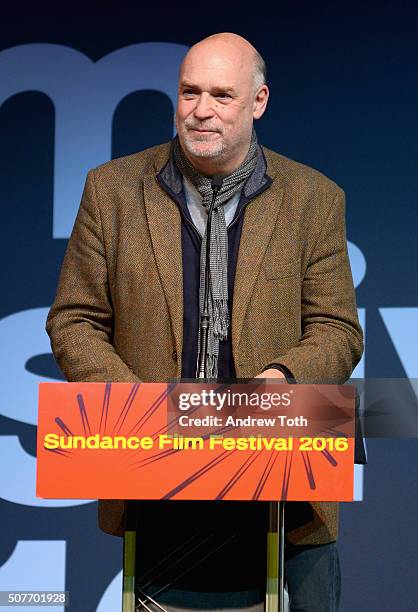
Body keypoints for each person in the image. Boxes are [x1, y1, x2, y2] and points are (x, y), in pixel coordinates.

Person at [46, 32, 363, 611]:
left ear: (258, 102)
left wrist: (278, 385)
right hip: (153, 467)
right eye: (190, 92)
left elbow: (337, 329)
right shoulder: (112, 191)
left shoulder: (314, 198)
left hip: (286, 473)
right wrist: (135, 405)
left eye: (221, 95)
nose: (201, 111)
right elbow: (74, 320)